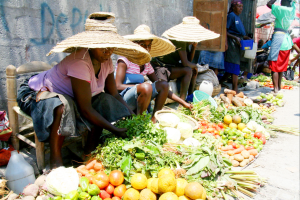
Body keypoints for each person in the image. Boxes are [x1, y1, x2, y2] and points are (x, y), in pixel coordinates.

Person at [16, 12, 151, 169]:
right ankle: (55, 160)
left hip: (68, 96)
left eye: (111, 46)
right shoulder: (80, 61)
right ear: (92, 44)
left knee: (103, 101)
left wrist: (132, 117)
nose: (108, 52)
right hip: (34, 93)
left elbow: (113, 94)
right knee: (62, 106)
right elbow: (86, 109)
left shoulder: (106, 61)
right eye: (103, 47)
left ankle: (88, 152)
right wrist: (114, 129)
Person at [115, 25, 192, 122]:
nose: (146, 48)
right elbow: (117, 86)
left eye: (148, 45)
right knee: (146, 86)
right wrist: (139, 86)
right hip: (124, 100)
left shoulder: (146, 63)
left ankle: (154, 119)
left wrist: (183, 102)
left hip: (139, 97)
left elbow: (161, 86)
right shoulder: (124, 60)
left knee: (163, 84)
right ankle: (139, 122)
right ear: (135, 44)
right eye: (142, 44)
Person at [151, 16, 220, 100]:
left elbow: (189, 60)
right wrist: (196, 66)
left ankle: (190, 97)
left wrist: (194, 47)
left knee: (192, 70)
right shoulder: (179, 40)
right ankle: (183, 100)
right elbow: (185, 63)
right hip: (161, 67)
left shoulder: (186, 41)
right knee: (188, 70)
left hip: (170, 65)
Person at [220, 0, 251, 92]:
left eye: (242, 6)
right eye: (239, 6)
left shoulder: (237, 17)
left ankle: (219, 82)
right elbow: (225, 30)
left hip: (238, 44)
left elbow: (238, 32)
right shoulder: (231, 16)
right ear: (233, 7)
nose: (241, 8)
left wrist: (245, 37)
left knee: (231, 67)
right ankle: (235, 89)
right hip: (232, 43)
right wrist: (234, 38)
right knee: (235, 64)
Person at [266, 0, 296, 92]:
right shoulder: (292, 10)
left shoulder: (281, 9)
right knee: (282, 67)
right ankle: (278, 87)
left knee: (274, 66)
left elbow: (269, 4)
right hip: (287, 41)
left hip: (278, 40)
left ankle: (275, 88)